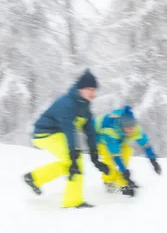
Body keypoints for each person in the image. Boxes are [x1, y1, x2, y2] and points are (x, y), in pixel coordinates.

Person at [23, 69, 110, 208]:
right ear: (81, 89)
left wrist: (95, 157)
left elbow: (90, 132)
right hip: (45, 134)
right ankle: (72, 201)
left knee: (71, 163)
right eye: (90, 89)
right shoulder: (67, 103)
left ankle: (34, 178)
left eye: (95, 89)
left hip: (58, 134)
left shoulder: (84, 106)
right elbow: (69, 130)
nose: (93, 93)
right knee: (74, 161)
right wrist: (73, 155)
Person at [93, 105, 161, 196]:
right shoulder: (110, 131)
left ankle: (122, 180)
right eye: (127, 128)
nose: (130, 130)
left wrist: (153, 161)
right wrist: (125, 172)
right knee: (109, 160)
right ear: (121, 126)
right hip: (100, 138)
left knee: (127, 150)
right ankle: (108, 182)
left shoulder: (135, 129)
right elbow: (116, 156)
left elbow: (145, 145)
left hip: (119, 138)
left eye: (132, 127)